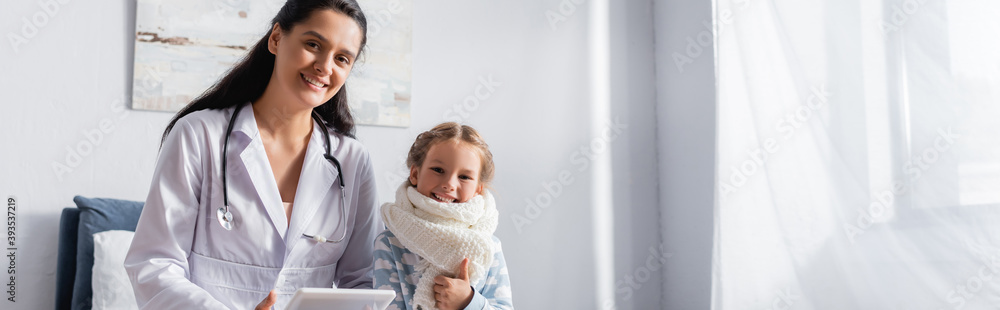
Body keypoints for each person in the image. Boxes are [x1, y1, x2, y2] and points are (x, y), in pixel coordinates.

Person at [124, 1, 381, 309]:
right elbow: (154, 264)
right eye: (313, 44)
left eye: (342, 58)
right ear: (276, 38)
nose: (325, 67)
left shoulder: (352, 161)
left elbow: (363, 282)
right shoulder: (198, 135)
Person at [374, 123, 514, 310]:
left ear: (478, 189)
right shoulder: (390, 243)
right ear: (415, 174)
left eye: (464, 177)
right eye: (438, 170)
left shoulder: (487, 246)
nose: (449, 184)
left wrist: (468, 302)